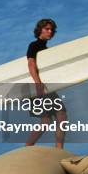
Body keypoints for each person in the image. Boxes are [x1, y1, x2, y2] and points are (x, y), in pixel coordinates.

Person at [25, 18, 67, 148]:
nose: (50, 32)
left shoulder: (46, 49)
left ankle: (57, 148)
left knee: (55, 118)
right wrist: (38, 83)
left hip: (44, 87)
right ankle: (30, 146)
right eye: (47, 29)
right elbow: (31, 64)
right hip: (37, 86)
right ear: (40, 30)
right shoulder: (34, 45)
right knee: (52, 118)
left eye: (52, 30)